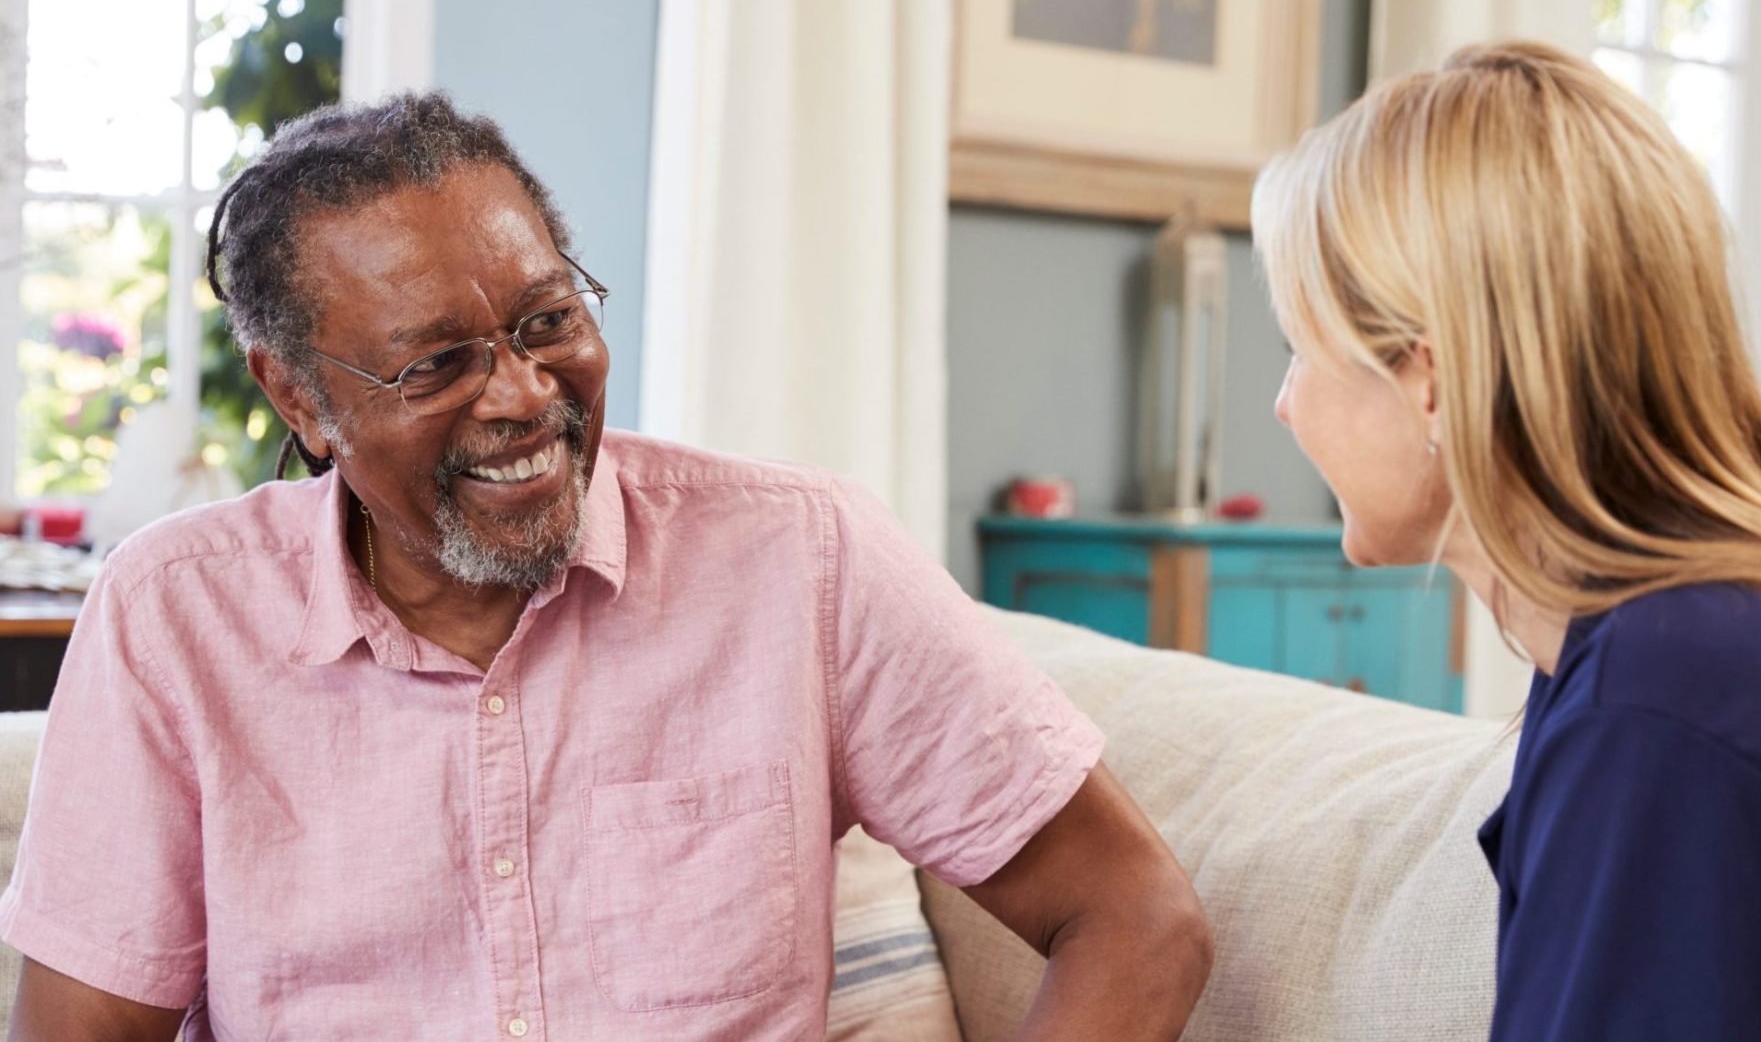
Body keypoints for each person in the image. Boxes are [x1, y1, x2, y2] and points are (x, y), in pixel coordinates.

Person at [0, 93, 1212, 1041]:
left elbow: (1135, 918)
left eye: (546, 323)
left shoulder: (805, 560)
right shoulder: (173, 618)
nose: (526, 399)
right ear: (300, 399)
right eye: (436, 366)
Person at [1254, 41, 1761, 1039]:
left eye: (1300, 349)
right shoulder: (1684, 646)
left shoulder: (1672, 700)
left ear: (1428, 381)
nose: (1283, 405)